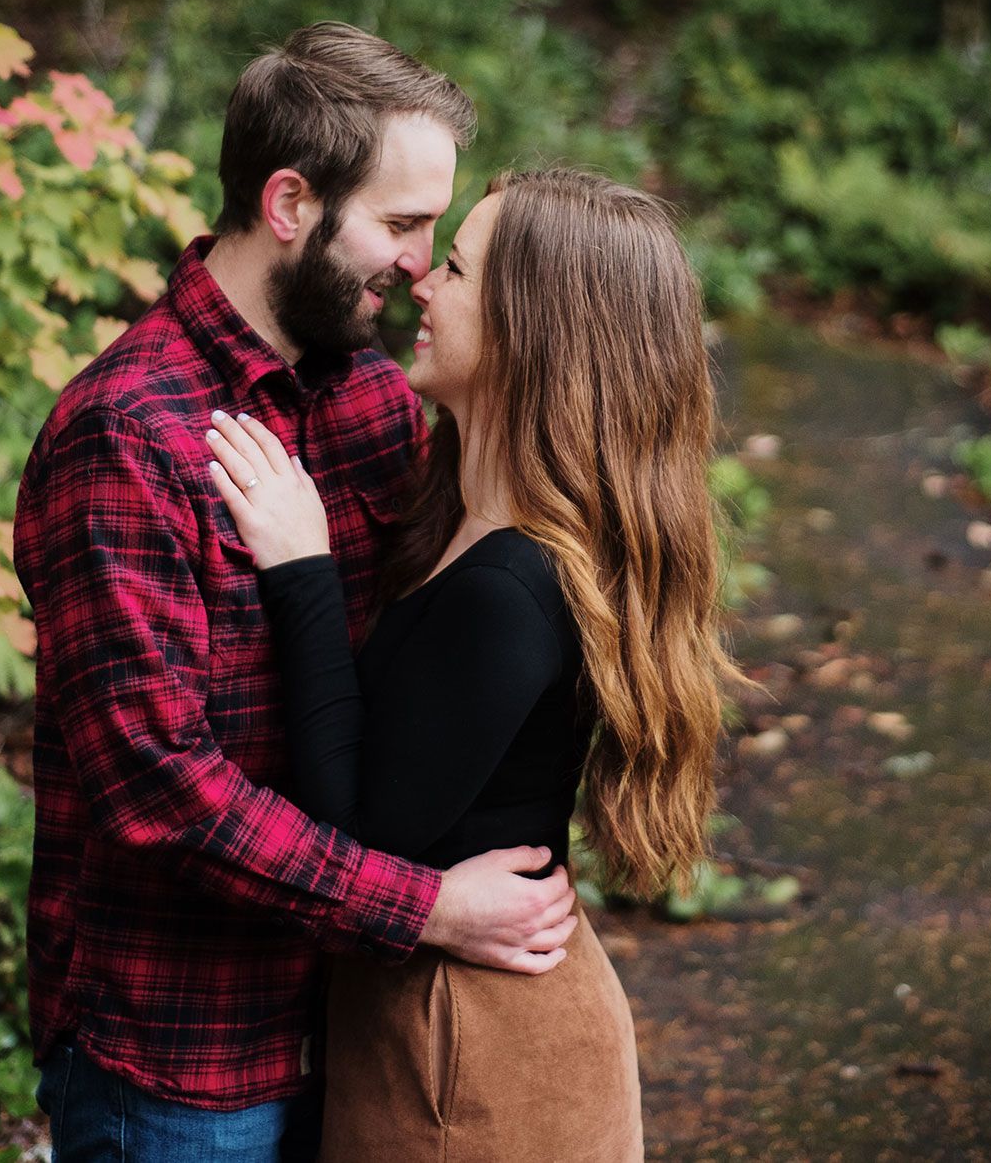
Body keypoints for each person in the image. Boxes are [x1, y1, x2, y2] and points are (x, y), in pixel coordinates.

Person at [14, 25, 580, 1163]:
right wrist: (425, 905)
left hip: (361, 1029)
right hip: (185, 1059)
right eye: (402, 224)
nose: (420, 265)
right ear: (288, 202)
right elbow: (161, 790)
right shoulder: (129, 436)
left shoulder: (374, 397)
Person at [201, 168, 739, 1161]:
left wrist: (302, 572)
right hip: (453, 1011)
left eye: (455, 265)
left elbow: (355, 832)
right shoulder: (468, 510)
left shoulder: (511, 584)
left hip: (469, 1054)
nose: (421, 280)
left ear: (529, 328)